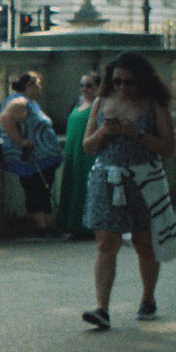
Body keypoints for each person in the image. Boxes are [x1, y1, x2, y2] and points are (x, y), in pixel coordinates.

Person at [80, 52, 176, 329]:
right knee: (106, 242)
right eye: (117, 82)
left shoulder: (153, 106)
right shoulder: (101, 102)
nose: (122, 87)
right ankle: (102, 309)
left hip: (143, 179)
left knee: (143, 242)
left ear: (142, 82)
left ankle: (148, 298)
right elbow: (87, 146)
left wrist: (135, 134)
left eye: (129, 82)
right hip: (107, 177)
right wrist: (104, 133)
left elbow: (169, 148)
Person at [0, 71, 64, 239]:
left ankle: (47, 225)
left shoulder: (31, 103)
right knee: (35, 190)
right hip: (31, 160)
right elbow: (5, 119)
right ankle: (41, 228)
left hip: (43, 160)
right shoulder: (20, 101)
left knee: (43, 190)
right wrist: (21, 141)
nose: (40, 87)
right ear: (30, 85)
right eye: (38, 84)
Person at [54, 72, 100, 239]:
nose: (85, 89)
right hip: (73, 151)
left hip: (88, 154)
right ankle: (71, 224)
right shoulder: (77, 103)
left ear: (98, 87)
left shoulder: (99, 106)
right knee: (72, 185)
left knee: (86, 187)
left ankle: (87, 226)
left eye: (89, 85)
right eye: (82, 85)